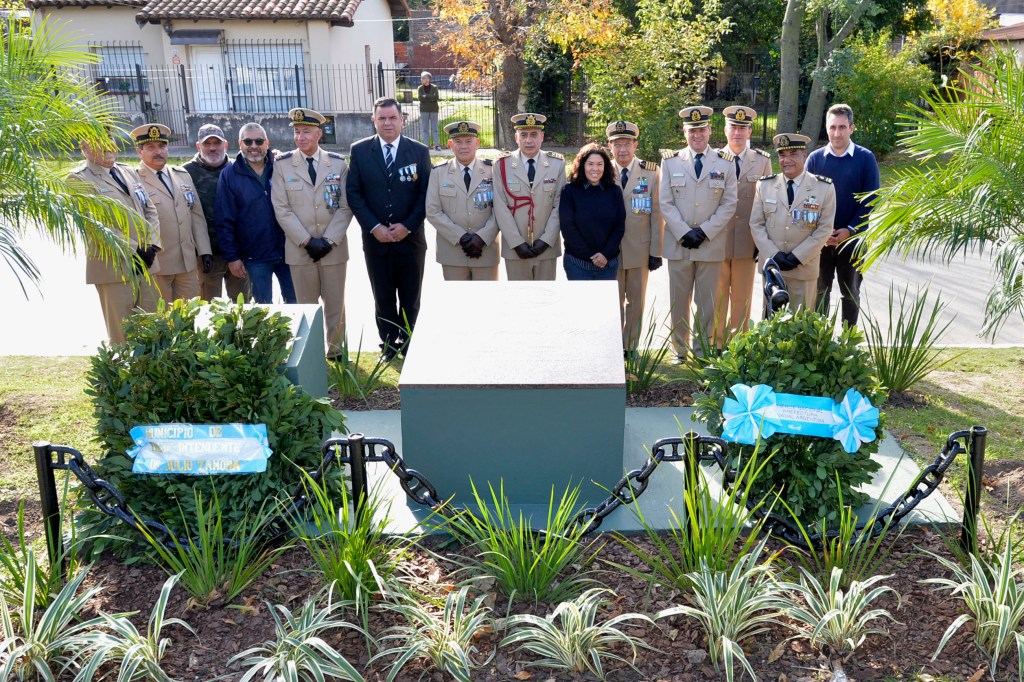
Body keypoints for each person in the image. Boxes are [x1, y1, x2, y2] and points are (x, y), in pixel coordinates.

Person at [346, 97, 432, 360]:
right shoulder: (360, 151)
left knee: (410, 297)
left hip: (410, 240)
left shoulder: (418, 151)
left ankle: (409, 343)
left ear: (402, 120)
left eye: (392, 118)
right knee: (382, 297)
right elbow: (354, 193)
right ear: (373, 120)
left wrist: (407, 226)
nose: (387, 123)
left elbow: (426, 194)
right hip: (377, 241)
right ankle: (388, 344)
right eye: (381, 118)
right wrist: (374, 227)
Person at [271, 108, 354, 359]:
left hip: (334, 248)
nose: (301, 137)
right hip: (300, 250)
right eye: (297, 132)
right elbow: (281, 208)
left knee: (335, 304)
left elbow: (346, 206)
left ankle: (337, 352)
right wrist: (307, 241)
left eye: (306, 131)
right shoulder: (283, 165)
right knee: (306, 305)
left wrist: (328, 240)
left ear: (319, 133)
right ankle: (311, 355)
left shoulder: (338, 164)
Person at [659, 106, 737, 360]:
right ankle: (679, 351)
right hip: (679, 244)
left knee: (707, 304)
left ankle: (702, 351)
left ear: (710, 130)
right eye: (692, 130)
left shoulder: (725, 163)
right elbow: (665, 202)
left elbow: (729, 203)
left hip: (709, 244)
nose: (697, 135)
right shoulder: (671, 161)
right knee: (679, 301)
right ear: (684, 132)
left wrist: (703, 231)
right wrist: (684, 232)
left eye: (702, 129)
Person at [67, 134, 161, 344]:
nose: (108, 146)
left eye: (110, 140)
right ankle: (123, 376)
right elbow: (94, 225)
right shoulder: (78, 179)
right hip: (115, 267)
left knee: (151, 330)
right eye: (99, 141)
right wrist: (136, 250)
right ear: (84, 147)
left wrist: (152, 245)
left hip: (146, 264)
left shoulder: (127, 171)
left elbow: (150, 209)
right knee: (122, 336)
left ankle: (148, 377)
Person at [807, 103, 880, 327]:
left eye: (842, 127)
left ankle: (848, 345)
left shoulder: (865, 158)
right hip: (821, 239)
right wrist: (822, 231)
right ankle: (819, 342)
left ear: (852, 128)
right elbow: (807, 200)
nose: (836, 133)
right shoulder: (815, 159)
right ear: (826, 128)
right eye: (832, 127)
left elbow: (871, 200)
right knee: (819, 292)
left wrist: (850, 229)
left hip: (854, 239)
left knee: (850, 292)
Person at [749, 133, 836, 312]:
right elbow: (756, 224)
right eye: (782, 155)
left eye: (793, 154)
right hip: (773, 269)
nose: (787, 160)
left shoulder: (823, 187)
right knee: (771, 322)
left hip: (803, 267)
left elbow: (824, 229)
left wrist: (798, 257)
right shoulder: (765, 185)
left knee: (801, 325)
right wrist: (774, 255)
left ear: (805, 155)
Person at [215, 123, 296, 305]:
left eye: (259, 141)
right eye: (248, 141)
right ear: (240, 143)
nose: (253, 146)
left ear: (267, 142)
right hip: (255, 256)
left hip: (288, 252)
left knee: (296, 304)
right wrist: (233, 257)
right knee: (263, 309)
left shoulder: (281, 166)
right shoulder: (229, 175)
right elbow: (224, 220)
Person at [133, 123, 211, 303]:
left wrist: (205, 250)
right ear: (139, 151)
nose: (158, 152)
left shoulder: (181, 175)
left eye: (162, 146)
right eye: (150, 147)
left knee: (189, 318)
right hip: (157, 264)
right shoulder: (133, 179)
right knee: (161, 320)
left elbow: (196, 216)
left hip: (187, 263)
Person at [607, 120, 664, 350]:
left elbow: (657, 213)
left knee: (636, 302)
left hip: (640, 249)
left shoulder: (650, 172)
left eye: (627, 143)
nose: (623, 149)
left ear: (635, 145)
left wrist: (656, 252)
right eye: (617, 144)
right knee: (612, 302)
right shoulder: (601, 169)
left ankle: (630, 348)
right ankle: (612, 348)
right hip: (609, 249)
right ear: (609, 146)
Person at [493, 113, 566, 281]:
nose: (529, 140)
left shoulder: (557, 164)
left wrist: (546, 240)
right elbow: (500, 207)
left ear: (542, 137)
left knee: (546, 299)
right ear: (516, 137)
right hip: (515, 248)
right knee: (519, 301)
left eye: (534, 135)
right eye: (524, 135)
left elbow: (559, 206)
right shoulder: (501, 165)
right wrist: (516, 242)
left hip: (546, 247)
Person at [721, 105, 773, 335]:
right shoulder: (714, 160)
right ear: (725, 130)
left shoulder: (762, 162)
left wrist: (762, 244)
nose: (738, 133)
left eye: (743, 128)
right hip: (718, 241)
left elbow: (769, 205)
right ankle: (715, 344)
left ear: (750, 132)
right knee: (717, 297)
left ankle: (738, 345)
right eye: (733, 127)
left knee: (742, 298)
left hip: (747, 242)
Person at [425, 120, 500, 281]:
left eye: (468, 141)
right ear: (450, 144)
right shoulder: (439, 172)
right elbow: (433, 211)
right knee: (456, 303)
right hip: (453, 253)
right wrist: (461, 237)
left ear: (477, 143)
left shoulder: (493, 170)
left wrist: (482, 238)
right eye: (458, 142)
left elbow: (501, 210)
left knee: (488, 302)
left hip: (486, 250)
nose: (463, 146)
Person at [183, 123, 250, 301]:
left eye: (217, 143)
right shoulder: (185, 173)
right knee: (208, 308)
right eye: (207, 143)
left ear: (226, 145)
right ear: (198, 146)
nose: (212, 148)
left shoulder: (239, 170)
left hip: (238, 252)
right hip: (206, 256)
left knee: (242, 306)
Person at [559, 143, 625, 281]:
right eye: (590, 164)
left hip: (607, 263)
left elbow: (619, 226)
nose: (595, 169)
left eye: (600, 164)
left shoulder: (614, 191)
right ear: (582, 165)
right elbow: (568, 228)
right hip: (577, 265)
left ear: (605, 166)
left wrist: (605, 255)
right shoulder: (569, 192)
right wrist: (592, 256)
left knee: (604, 303)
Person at [417, 71, 441, 151]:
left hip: (434, 110)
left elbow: (436, 97)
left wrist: (426, 96)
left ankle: (437, 145)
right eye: (421, 78)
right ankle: (425, 146)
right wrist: (431, 98)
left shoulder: (434, 87)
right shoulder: (420, 88)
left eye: (423, 78)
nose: (422, 79)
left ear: (428, 79)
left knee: (434, 128)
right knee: (425, 129)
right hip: (424, 110)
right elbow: (420, 98)